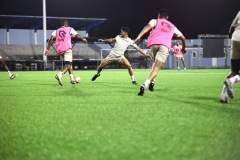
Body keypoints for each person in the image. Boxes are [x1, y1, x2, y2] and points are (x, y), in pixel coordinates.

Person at [135, 9, 186, 96]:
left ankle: (153, 81)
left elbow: (147, 27)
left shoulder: (155, 20)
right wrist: (183, 48)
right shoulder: (172, 26)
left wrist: (139, 36)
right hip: (164, 45)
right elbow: (183, 38)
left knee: (155, 64)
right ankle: (145, 84)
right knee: (156, 68)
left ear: (158, 15)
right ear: (167, 17)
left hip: (153, 44)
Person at [45, 19, 87, 86]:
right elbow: (76, 35)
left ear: (61, 24)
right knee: (68, 65)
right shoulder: (69, 29)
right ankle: (59, 75)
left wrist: (47, 50)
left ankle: (72, 79)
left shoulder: (56, 30)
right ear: (66, 24)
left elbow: (51, 39)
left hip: (60, 50)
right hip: (67, 49)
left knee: (69, 64)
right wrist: (82, 39)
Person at [220, 11, 240, 103]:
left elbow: (232, 27)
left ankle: (223, 96)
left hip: (235, 38)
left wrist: (231, 40)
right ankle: (231, 81)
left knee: (234, 70)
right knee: (234, 75)